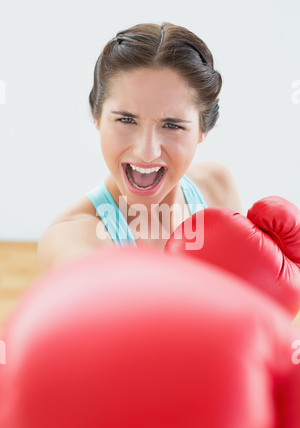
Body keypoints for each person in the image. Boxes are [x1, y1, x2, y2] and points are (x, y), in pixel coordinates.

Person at [38, 22, 243, 271]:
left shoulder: (216, 189)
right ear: (97, 116)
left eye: (172, 125)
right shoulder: (72, 239)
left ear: (203, 129)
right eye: (126, 120)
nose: (147, 152)